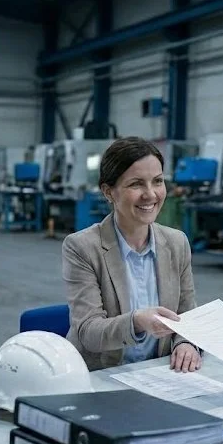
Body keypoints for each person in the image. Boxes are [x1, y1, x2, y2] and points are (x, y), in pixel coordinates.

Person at [62, 137, 202, 373]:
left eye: (157, 181)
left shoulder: (177, 243)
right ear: (108, 192)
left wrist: (186, 343)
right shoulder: (82, 247)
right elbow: (88, 332)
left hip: (160, 373)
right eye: (136, 184)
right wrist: (136, 321)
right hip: (101, 376)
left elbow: (186, 315)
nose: (151, 194)